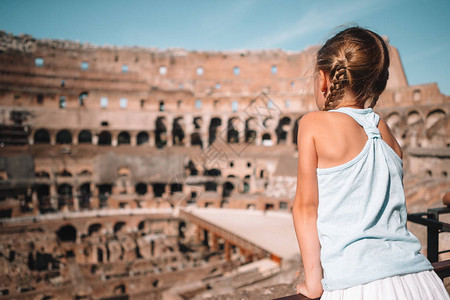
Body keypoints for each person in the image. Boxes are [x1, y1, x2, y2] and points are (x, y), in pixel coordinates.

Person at [292, 26, 449, 299]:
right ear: (377, 82)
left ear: (323, 79)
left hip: (359, 284)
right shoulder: (387, 132)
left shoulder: (313, 124)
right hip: (422, 281)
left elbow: (306, 209)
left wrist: (314, 283)